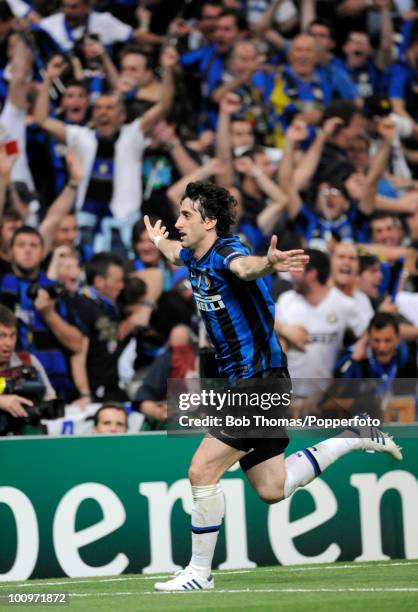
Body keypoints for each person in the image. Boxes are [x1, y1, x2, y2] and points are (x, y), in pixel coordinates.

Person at [144, 181, 402, 592]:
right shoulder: (193, 254)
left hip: (257, 380)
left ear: (210, 222)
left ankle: (199, 572)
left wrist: (268, 263)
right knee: (272, 487)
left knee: (201, 469)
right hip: (246, 382)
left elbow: (245, 267)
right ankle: (354, 437)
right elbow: (175, 254)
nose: (178, 223)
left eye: (186, 216)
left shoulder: (228, 252)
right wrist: (159, 240)